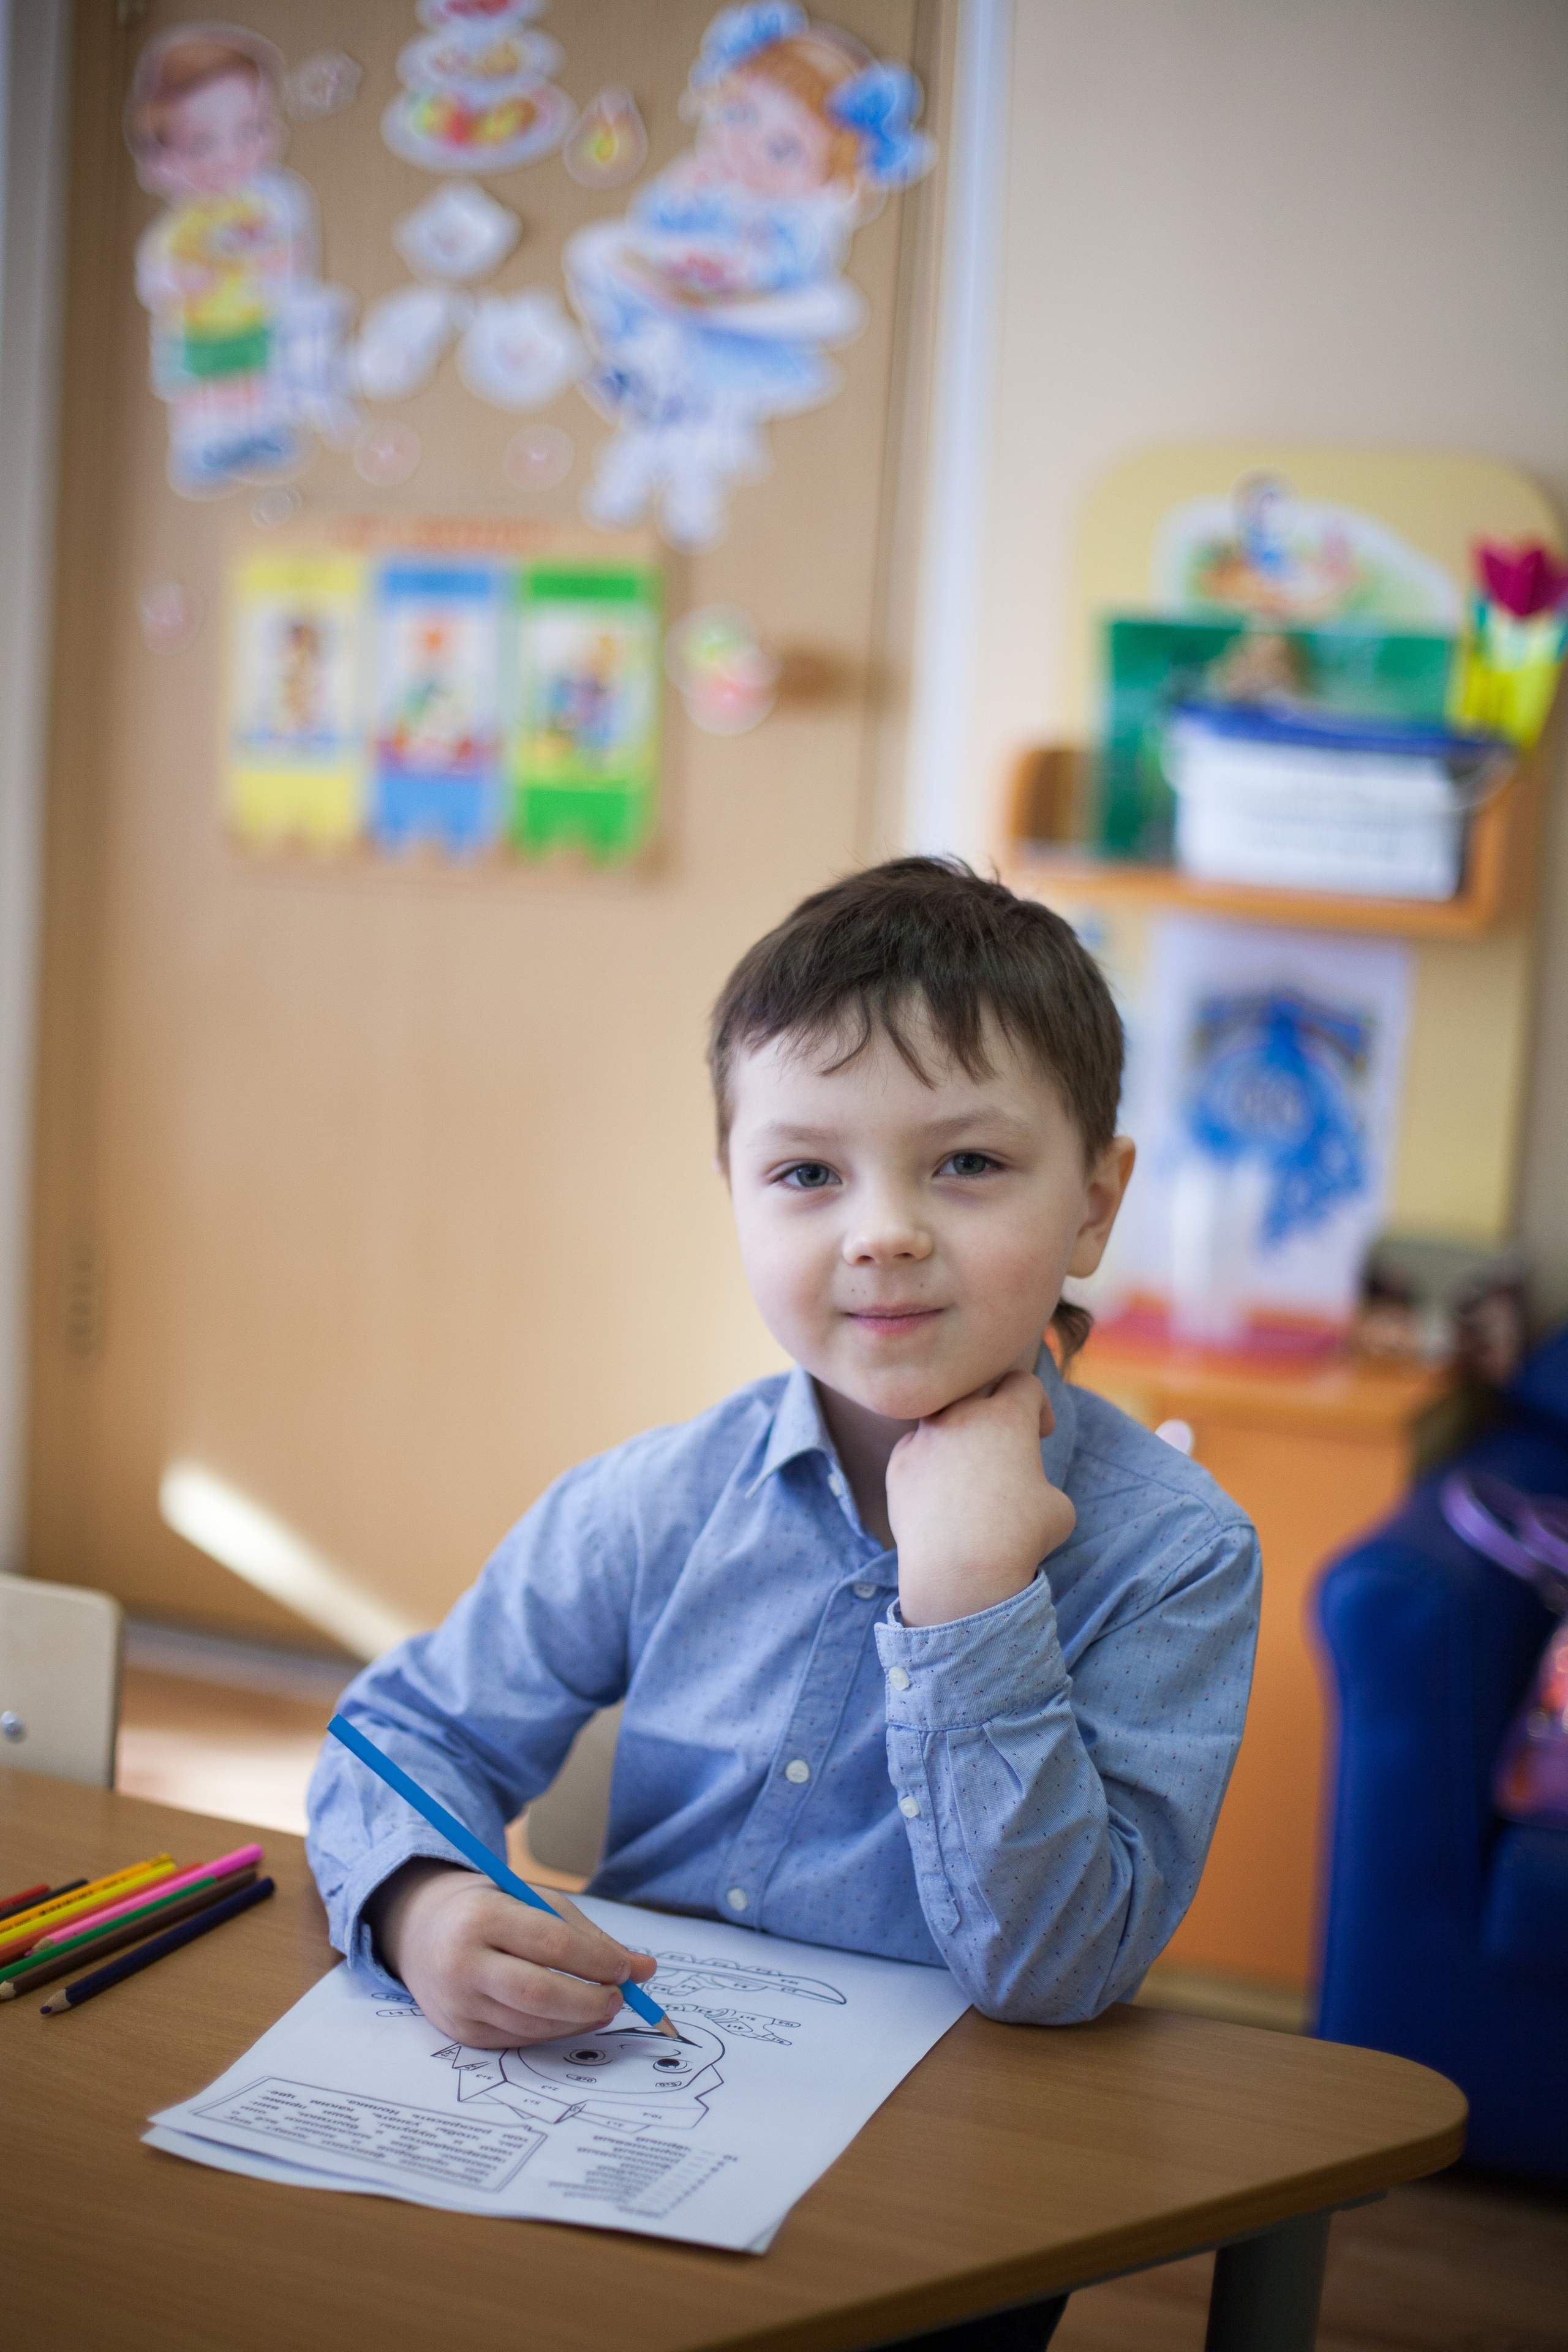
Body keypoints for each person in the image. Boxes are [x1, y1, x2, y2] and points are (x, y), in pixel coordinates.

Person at [307, 858, 1261, 2064]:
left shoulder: (1175, 1559)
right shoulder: (655, 1502)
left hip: (965, 2169)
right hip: (627, 2109)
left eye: (966, 1163)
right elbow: (399, 1737)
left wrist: (971, 1600)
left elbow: (1056, 1972)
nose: (882, 1235)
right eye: (806, 1174)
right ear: (736, 1199)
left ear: (1091, 1202)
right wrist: (420, 1905)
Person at [565, 4, 933, 549]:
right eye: (739, 117)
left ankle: (693, 493)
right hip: (677, 309)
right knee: (604, 265)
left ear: (830, 169)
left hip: (736, 325)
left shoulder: (802, 219)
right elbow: (649, 235)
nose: (747, 149)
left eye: (784, 148)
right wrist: (680, 198)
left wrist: (751, 260)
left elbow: (791, 269)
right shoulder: (699, 185)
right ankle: (627, 473)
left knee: (720, 412)